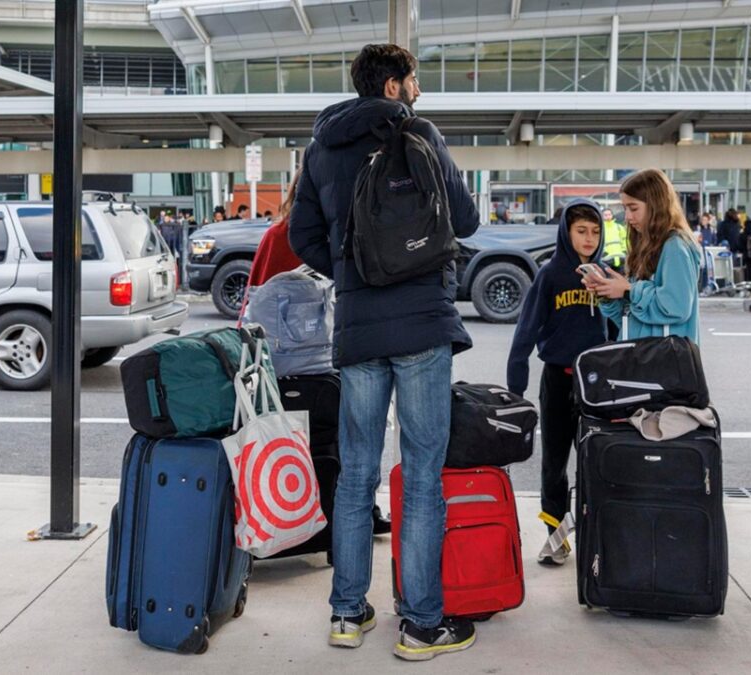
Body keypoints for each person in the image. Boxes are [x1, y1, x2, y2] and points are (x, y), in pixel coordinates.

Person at [289, 42, 481, 661]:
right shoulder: (421, 133)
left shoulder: (322, 146)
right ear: (394, 87)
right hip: (424, 322)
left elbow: (302, 237)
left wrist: (355, 269)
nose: (419, 91)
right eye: (414, 80)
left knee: (355, 476)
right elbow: (467, 220)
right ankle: (423, 625)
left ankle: (348, 613)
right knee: (422, 479)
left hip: (360, 331)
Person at [506, 200, 611, 567]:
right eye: (581, 231)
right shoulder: (550, 274)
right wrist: (515, 385)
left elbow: (618, 332)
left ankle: (595, 533)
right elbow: (526, 329)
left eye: (595, 231)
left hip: (597, 385)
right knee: (554, 463)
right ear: (566, 232)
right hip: (557, 380)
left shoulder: (607, 274)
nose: (588, 238)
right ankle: (557, 536)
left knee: (596, 460)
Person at [583, 169, 701, 342]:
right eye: (625, 208)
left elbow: (676, 307)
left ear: (656, 204)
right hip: (643, 358)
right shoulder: (645, 244)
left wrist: (628, 290)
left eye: (633, 208)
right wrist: (607, 293)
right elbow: (633, 320)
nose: (628, 217)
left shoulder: (675, 246)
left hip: (663, 361)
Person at [600, 208, 628, 273]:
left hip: (621, 258)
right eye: (605, 215)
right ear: (602, 216)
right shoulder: (601, 229)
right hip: (606, 259)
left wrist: (624, 250)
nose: (608, 216)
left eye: (609, 214)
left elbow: (625, 240)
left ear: (612, 215)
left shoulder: (619, 227)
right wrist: (603, 253)